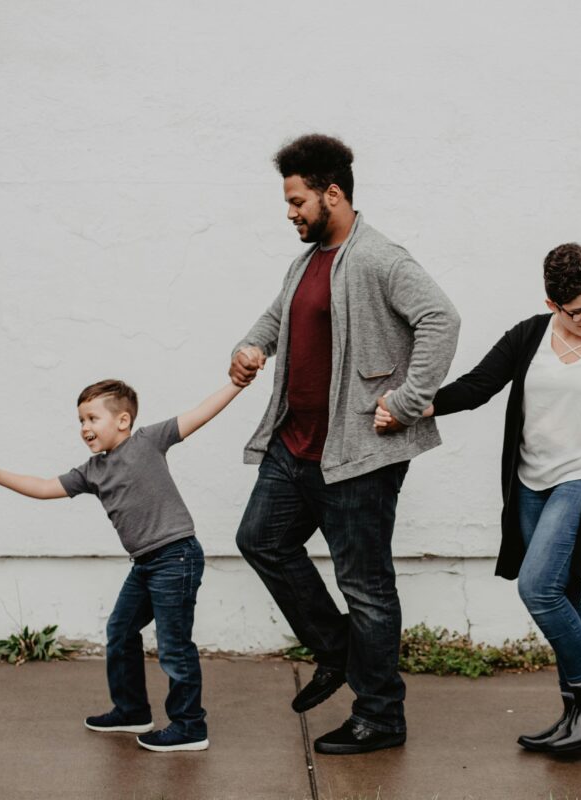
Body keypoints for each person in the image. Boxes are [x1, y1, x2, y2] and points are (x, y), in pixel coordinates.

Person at [375, 243, 581, 754]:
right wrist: (413, 408)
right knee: (565, 595)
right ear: (553, 304)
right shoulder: (530, 336)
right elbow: (479, 386)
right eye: (578, 311)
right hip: (530, 484)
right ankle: (578, 720)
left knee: (538, 589)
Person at [230, 133, 459, 755]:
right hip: (294, 447)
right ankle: (336, 653)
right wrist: (251, 347)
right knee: (260, 540)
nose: (290, 212)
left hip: (356, 456)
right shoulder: (306, 261)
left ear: (333, 194)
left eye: (297, 200)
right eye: (288, 201)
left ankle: (381, 715)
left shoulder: (380, 258)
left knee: (366, 587)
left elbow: (442, 318)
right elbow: (278, 317)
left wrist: (408, 401)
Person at [0, 378, 243, 752]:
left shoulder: (148, 441)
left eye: (92, 418)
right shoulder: (92, 471)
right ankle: (132, 711)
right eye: (80, 420)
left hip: (176, 557)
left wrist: (236, 384)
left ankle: (190, 726)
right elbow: (46, 486)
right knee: (121, 630)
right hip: (145, 564)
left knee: (174, 646)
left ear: (123, 420)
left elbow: (199, 414)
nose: (84, 428)